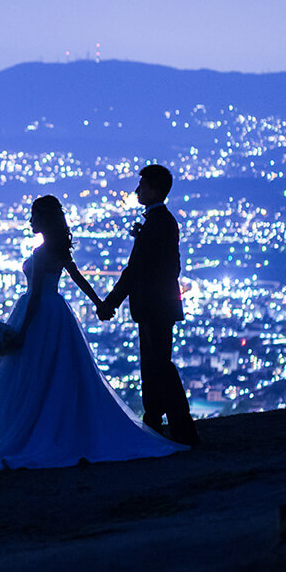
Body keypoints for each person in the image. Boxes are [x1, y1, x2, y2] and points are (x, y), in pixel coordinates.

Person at [0, 195, 184, 470]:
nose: (30, 221)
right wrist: (100, 303)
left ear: (43, 219)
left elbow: (34, 297)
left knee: (31, 373)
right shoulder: (59, 250)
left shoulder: (40, 253)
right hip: (57, 313)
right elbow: (78, 278)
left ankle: (32, 430)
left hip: (37, 314)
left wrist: (21, 330)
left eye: (34, 216)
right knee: (60, 371)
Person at [98, 164, 200, 447]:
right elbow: (171, 265)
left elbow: (134, 270)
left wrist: (111, 303)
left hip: (153, 306)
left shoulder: (158, 224)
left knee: (159, 367)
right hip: (159, 306)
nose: (137, 190)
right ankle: (158, 422)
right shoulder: (162, 222)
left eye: (141, 185)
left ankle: (179, 426)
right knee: (156, 366)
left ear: (154, 189)